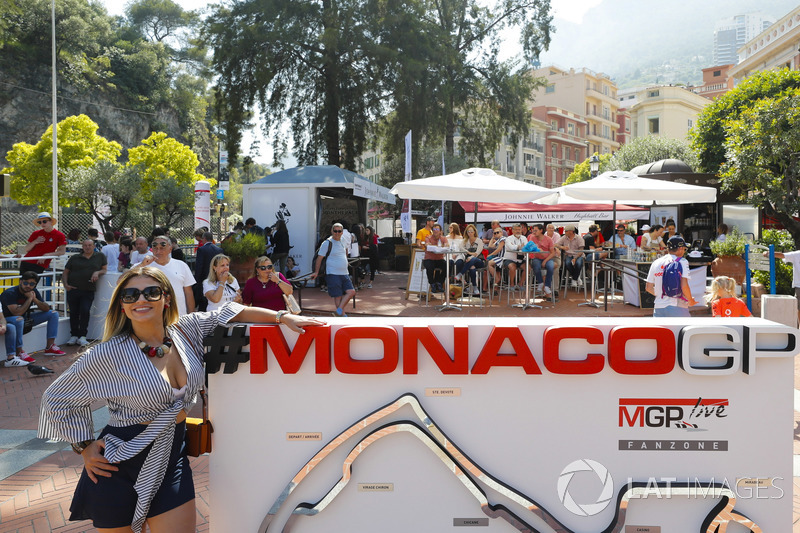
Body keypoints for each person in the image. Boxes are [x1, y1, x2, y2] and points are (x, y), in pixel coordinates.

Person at [38, 266, 324, 533]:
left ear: (166, 298)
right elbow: (58, 397)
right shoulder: (107, 354)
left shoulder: (186, 331)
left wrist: (281, 317)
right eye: (130, 294)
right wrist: (84, 446)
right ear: (122, 305)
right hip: (119, 463)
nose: (141, 299)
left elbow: (231, 312)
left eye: (151, 292)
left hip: (171, 456)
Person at [0, 271, 65, 363]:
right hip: (7, 320)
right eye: (25, 283)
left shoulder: (33, 292)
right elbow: (16, 313)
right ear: (20, 282)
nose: (28, 286)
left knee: (53, 313)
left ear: (35, 285)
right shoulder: (10, 293)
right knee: (19, 319)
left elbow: (46, 308)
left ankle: (50, 347)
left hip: (23, 318)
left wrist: (34, 299)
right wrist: (29, 299)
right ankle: (19, 352)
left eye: (32, 284)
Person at [135, 235, 196, 314]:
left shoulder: (181, 265)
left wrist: (191, 315)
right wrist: (141, 265)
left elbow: (188, 293)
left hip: (179, 316)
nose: (158, 251)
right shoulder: (143, 265)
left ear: (170, 249)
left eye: (162, 248)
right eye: (155, 248)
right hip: (153, 317)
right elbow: (120, 281)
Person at [63, 239, 108, 346]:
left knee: (85, 310)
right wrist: (66, 285)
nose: (88, 247)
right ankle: (73, 335)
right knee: (73, 312)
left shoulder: (100, 256)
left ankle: (82, 336)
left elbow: (104, 270)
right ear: (82, 247)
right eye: (85, 245)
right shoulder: (74, 258)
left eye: (90, 245)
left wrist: (97, 272)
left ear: (93, 246)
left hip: (88, 289)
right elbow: (65, 273)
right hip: (73, 289)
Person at [645, 236, 698, 317]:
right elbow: (684, 286)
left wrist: (661, 294)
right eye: (684, 249)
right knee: (684, 329)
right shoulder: (682, 261)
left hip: (658, 307)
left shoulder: (656, 262)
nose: (684, 252)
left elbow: (648, 288)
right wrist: (690, 300)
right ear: (680, 248)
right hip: (677, 306)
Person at [311, 223, 355, 317]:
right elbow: (319, 258)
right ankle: (342, 315)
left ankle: (339, 310)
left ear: (342, 232)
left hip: (344, 272)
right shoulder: (327, 243)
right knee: (337, 295)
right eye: (335, 231)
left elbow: (345, 252)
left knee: (351, 292)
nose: (337, 233)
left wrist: (345, 262)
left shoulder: (343, 240)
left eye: (339, 231)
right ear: (332, 231)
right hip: (332, 273)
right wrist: (316, 272)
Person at [17, 212, 67, 277]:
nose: (42, 224)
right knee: (22, 284)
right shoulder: (36, 233)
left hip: (39, 264)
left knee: (32, 284)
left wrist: (47, 255)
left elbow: (62, 251)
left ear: (51, 221)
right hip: (26, 261)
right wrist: (35, 241)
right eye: (40, 222)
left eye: (44, 221)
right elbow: (27, 249)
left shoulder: (59, 235)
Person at [767, 249, 800, 326]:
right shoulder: (797, 254)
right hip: (799, 286)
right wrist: (771, 253)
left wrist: (770, 253)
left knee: (799, 307)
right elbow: (783, 255)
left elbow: (782, 255)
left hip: (799, 286)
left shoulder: (797, 254)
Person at [193, 232, 223, 312]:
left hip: (204, 277)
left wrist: (197, 280)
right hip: (216, 277)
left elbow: (199, 266)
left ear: (205, 239)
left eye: (202, 239)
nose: (201, 240)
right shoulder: (219, 250)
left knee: (203, 301)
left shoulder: (201, 249)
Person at [454, 224, 484, 295]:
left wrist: (470, 256)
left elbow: (477, 253)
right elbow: (461, 247)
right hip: (469, 262)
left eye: (471, 231)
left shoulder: (479, 241)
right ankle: (475, 287)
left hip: (478, 260)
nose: (470, 233)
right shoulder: (465, 241)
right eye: (468, 231)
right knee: (472, 268)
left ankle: (460, 274)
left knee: (473, 260)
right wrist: (468, 252)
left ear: (474, 232)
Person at [528, 223, 556, 296]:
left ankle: (547, 286)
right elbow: (530, 248)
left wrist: (545, 260)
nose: (534, 232)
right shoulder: (532, 238)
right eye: (533, 231)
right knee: (536, 266)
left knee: (550, 267)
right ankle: (540, 282)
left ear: (541, 230)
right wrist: (537, 249)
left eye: (535, 230)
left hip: (547, 258)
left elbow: (552, 253)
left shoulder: (548, 239)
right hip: (537, 258)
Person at [422, 223, 448, 294]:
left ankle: (439, 282)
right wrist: (433, 246)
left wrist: (443, 246)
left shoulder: (443, 238)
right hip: (429, 259)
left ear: (440, 231)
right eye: (434, 229)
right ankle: (432, 283)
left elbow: (446, 245)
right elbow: (427, 245)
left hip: (439, 259)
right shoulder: (428, 237)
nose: (435, 231)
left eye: (437, 229)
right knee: (429, 267)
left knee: (447, 266)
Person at [501, 223, 527, 291]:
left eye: (519, 229)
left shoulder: (524, 238)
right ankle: (511, 284)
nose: (518, 231)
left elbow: (526, 248)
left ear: (521, 230)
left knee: (528, 268)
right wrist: (519, 246)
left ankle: (520, 284)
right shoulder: (508, 239)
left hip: (521, 259)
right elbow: (511, 248)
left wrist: (516, 246)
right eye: (516, 230)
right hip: (509, 259)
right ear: (512, 231)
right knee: (512, 267)